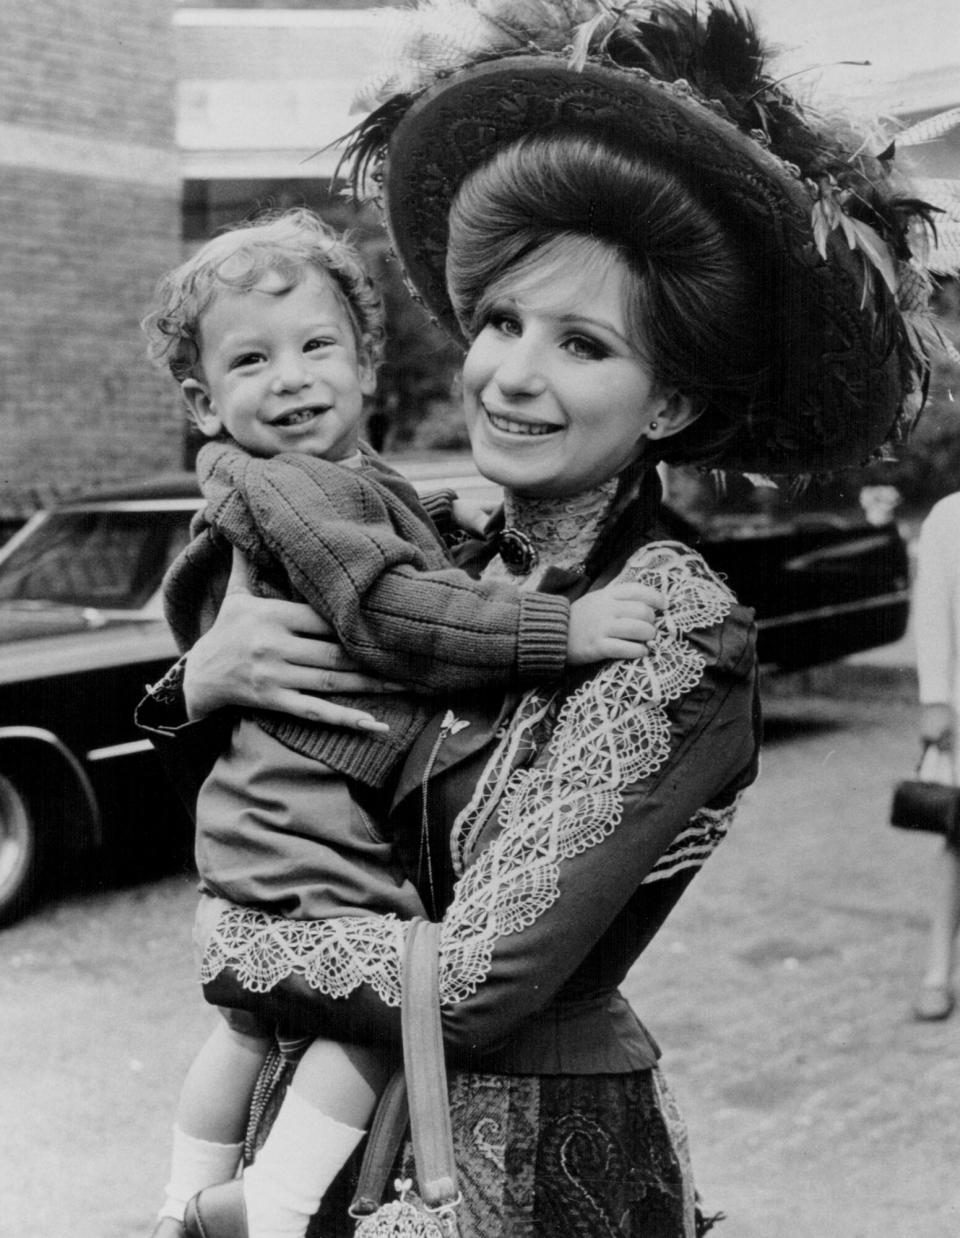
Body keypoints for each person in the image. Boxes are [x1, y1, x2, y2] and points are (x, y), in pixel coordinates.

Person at [137, 2, 937, 1234]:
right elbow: (282, 766)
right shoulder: (440, 543)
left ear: (666, 401)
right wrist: (200, 681)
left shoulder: (674, 629)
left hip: (517, 1163)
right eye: (502, 321)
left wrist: (229, 944)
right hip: (320, 1133)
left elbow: (471, 982)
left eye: (581, 343)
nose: (511, 374)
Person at [141, 207, 662, 1238]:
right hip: (304, 805)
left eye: (315, 347)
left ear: (367, 366)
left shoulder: (340, 478)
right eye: (252, 361)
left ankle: (177, 1199)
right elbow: (385, 603)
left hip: (271, 800)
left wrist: (439, 514)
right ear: (205, 403)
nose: (290, 378)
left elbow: (373, 530)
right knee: (373, 998)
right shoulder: (290, 485)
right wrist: (562, 627)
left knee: (246, 1023)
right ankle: (269, 1204)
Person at [910, 494, 960, 1020]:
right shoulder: (951, 516)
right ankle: (938, 971)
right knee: (958, 838)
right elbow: (933, 607)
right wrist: (936, 699)